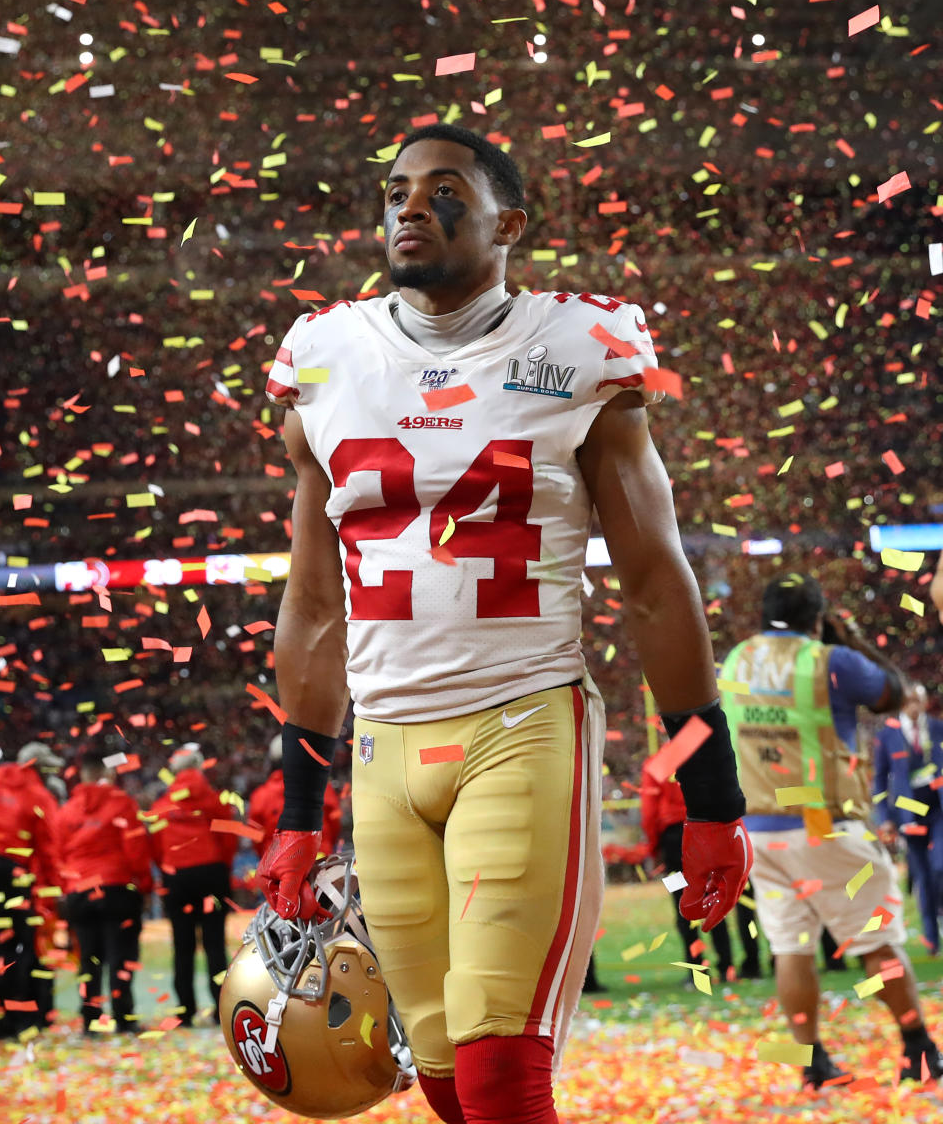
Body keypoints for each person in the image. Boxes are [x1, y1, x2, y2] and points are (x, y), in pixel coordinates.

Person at [255, 124, 752, 1124]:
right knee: (440, 1073)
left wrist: (711, 787)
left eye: (442, 191)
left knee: (498, 1063)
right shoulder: (323, 355)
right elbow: (313, 603)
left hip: (519, 726)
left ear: (507, 222)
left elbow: (654, 580)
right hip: (384, 750)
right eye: (395, 189)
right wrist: (300, 810)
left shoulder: (579, 344)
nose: (408, 206)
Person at [721, 572, 942, 1090]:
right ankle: (918, 1049)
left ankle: (811, 1060)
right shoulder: (830, 660)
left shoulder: (735, 660)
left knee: (791, 948)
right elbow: (895, 695)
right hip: (824, 825)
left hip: (759, 830)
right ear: (817, 619)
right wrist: (851, 641)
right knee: (877, 943)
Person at [55, 745, 152, 1034]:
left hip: (80, 892)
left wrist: (67, 890)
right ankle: (124, 1018)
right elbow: (135, 849)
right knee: (121, 956)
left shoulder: (67, 810)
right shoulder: (122, 804)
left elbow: (58, 855)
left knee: (89, 958)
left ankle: (90, 1019)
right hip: (116, 889)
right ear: (106, 771)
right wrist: (144, 885)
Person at [148, 743, 236, 1027]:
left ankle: (185, 1010)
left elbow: (155, 847)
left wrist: (168, 872)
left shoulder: (163, 805)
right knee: (214, 945)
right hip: (211, 873)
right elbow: (229, 840)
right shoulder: (215, 801)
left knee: (182, 945)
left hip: (178, 878)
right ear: (199, 766)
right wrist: (221, 868)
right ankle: (221, 1007)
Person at [0, 742, 61, 1039]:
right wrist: (53, 893)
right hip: (10, 873)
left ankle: (0, 1018)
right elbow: (48, 850)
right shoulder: (37, 796)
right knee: (18, 948)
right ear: (38, 768)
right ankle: (18, 1020)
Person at [639, 753, 736, 984]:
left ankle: (695, 972)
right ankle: (726, 965)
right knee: (712, 897)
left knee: (682, 903)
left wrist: (653, 848)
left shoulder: (656, 763)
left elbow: (649, 812)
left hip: (674, 842)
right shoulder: (704, 757)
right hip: (705, 834)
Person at [873, 684, 943, 955]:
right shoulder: (887, 736)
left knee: (939, 867)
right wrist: (884, 818)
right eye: (909, 701)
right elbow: (880, 779)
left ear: (925, 703)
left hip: (937, 809)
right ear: (902, 704)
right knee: (922, 876)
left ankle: (939, 913)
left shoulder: (937, 728)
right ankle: (931, 940)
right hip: (907, 813)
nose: (914, 706)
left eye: (919, 700)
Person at [248, 734, 341, 862]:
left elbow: (256, 838)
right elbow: (335, 822)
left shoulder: (260, 796)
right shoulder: (322, 786)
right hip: (319, 864)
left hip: (278, 867)